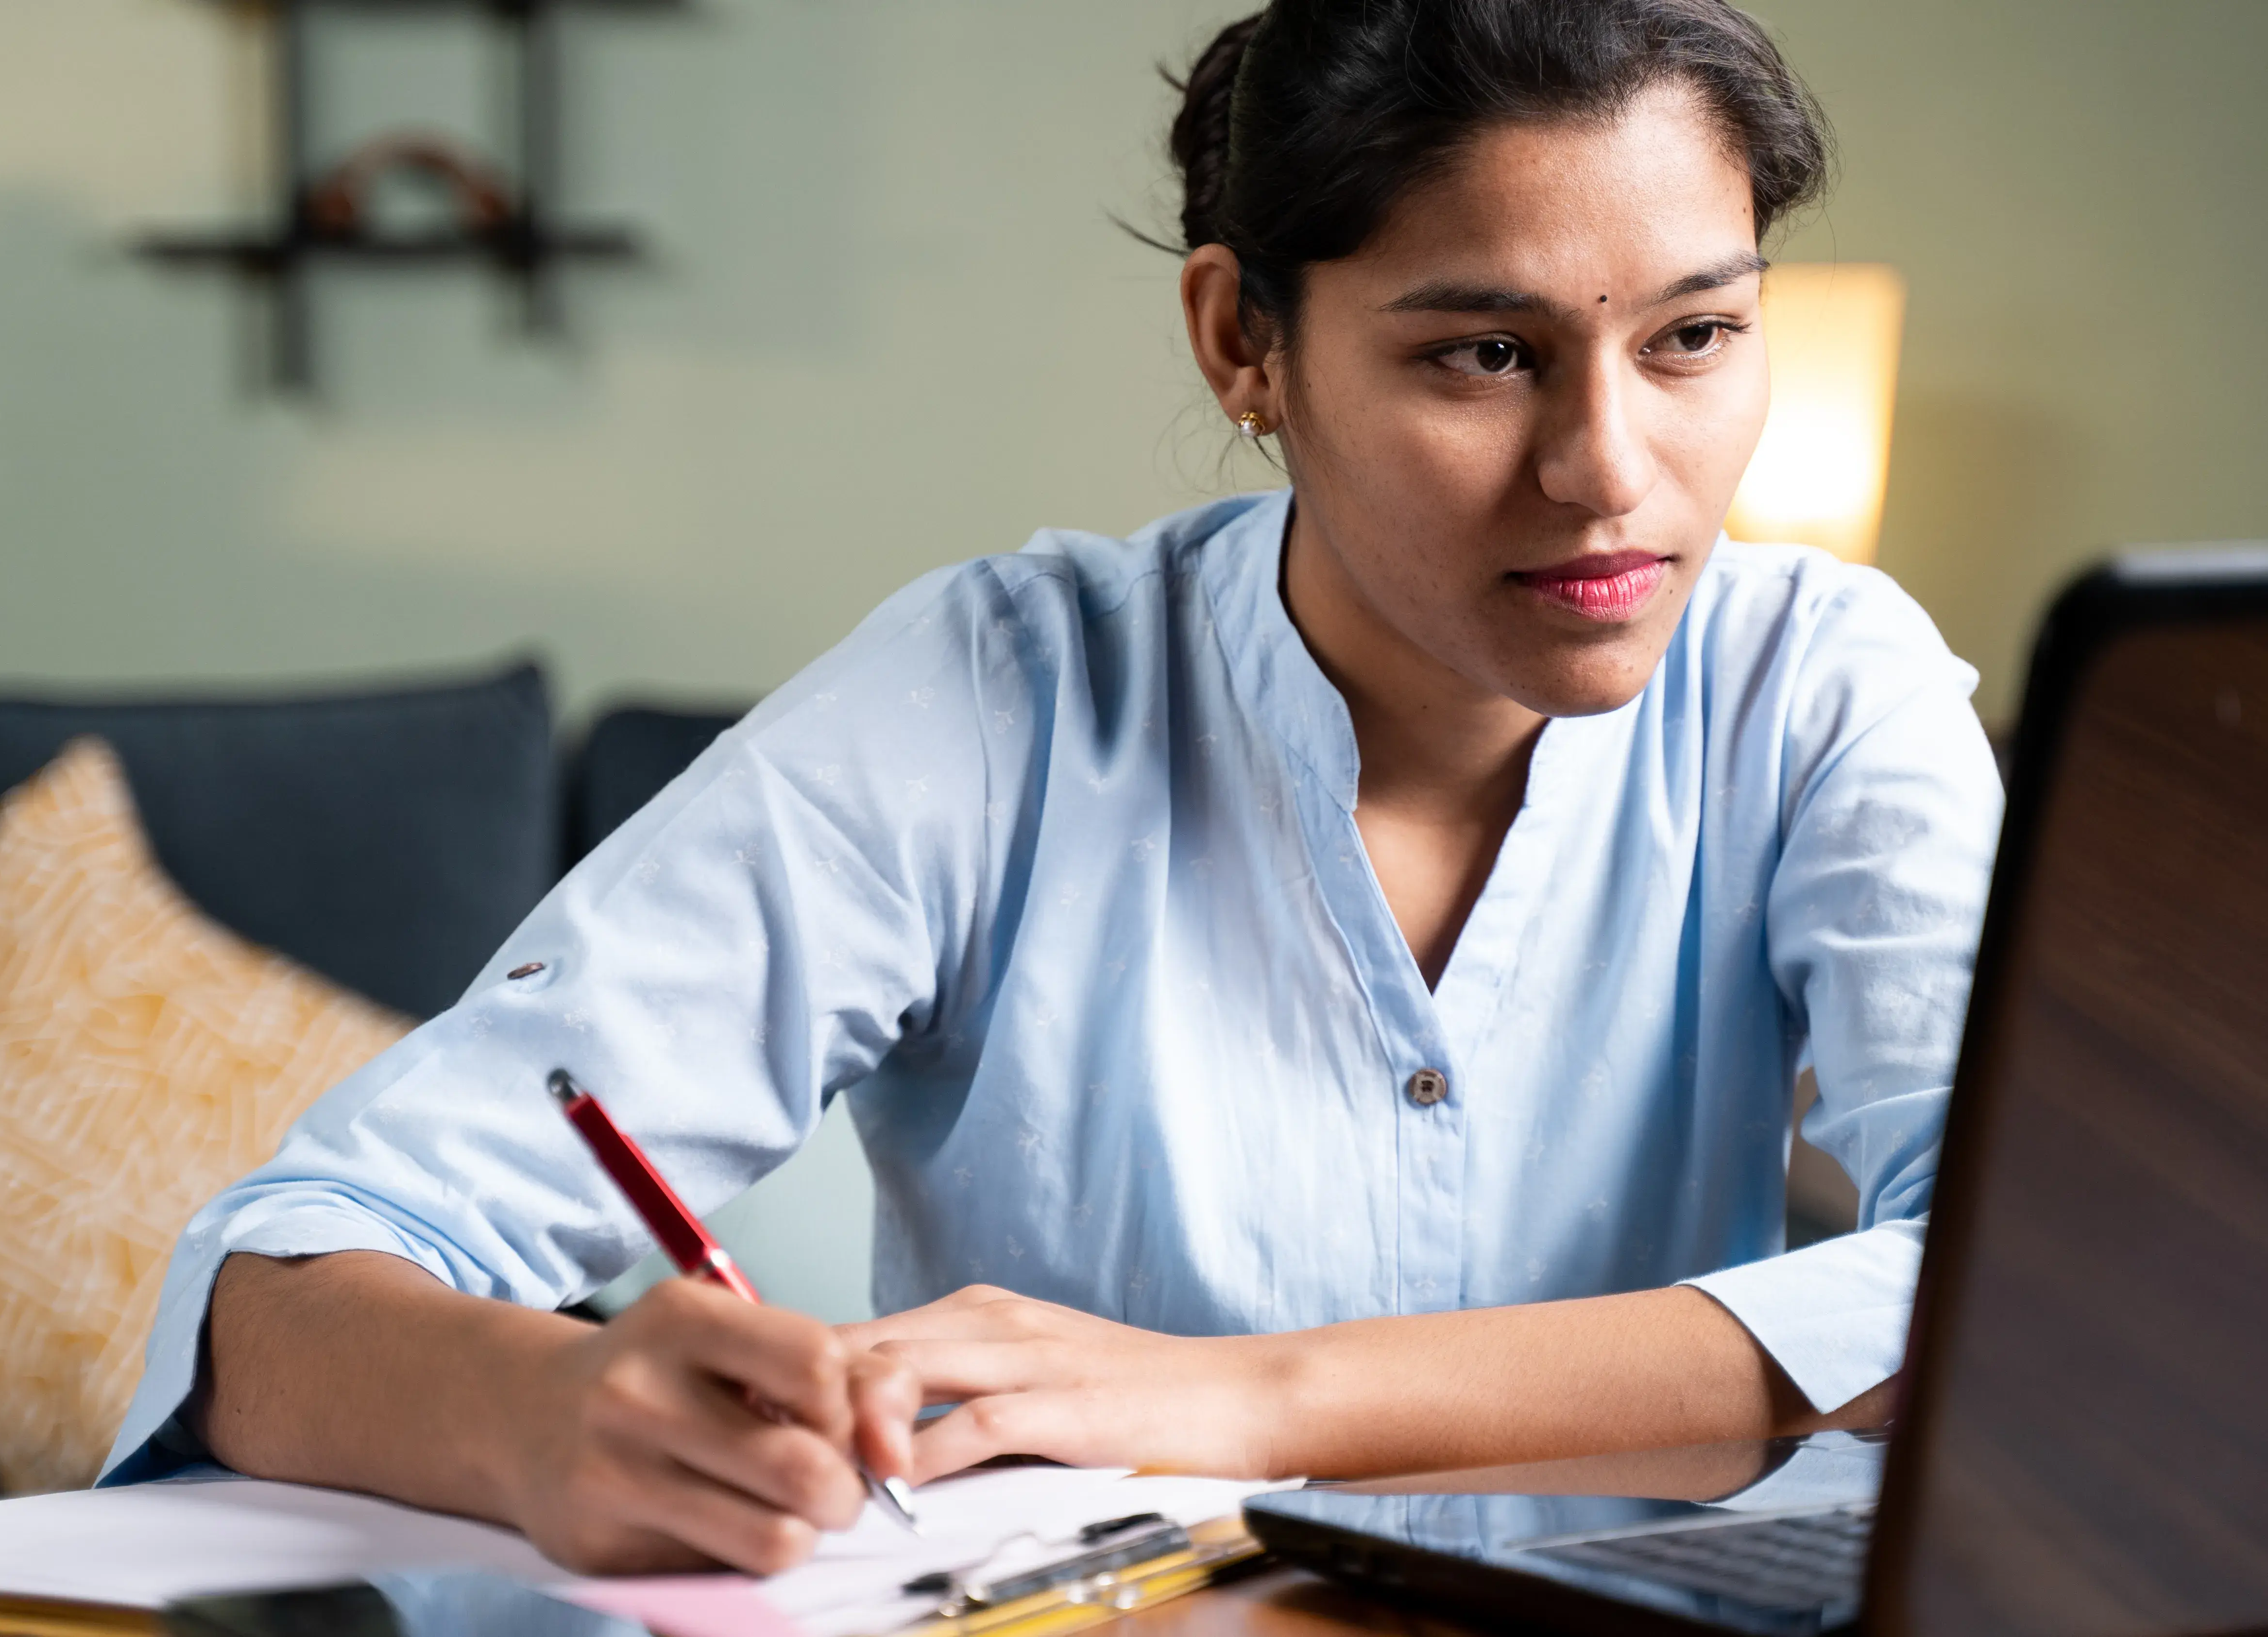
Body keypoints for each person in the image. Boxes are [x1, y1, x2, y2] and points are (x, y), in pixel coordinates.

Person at [104, 0, 2003, 1580]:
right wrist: (545, 1416)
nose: (1608, 469)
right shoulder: (991, 696)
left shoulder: (1824, 685)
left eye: (1693, 335)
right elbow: (284, 1277)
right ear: (1241, 338)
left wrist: (1251, 1396)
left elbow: (2015, 1296)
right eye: (1486, 353)